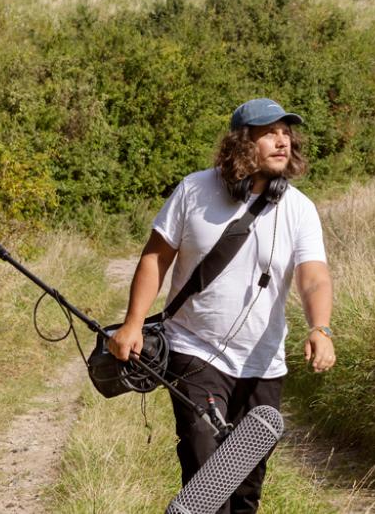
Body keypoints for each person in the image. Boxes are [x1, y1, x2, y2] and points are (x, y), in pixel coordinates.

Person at [109, 97, 336, 514]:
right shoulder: (194, 190)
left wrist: (320, 327)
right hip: (193, 349)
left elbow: (314, 277)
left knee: (246, 486)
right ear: (241, 143)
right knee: (204, 467)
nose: (282, 141)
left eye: (286, 133)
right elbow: (156, 257)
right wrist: (133, 323)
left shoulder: (299, 209)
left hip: (262, 362)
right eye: (269, 133)